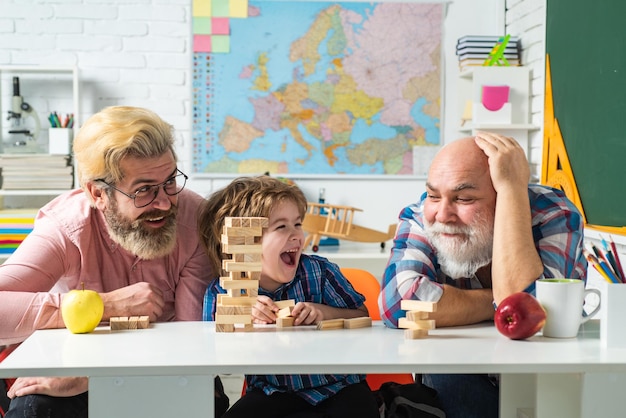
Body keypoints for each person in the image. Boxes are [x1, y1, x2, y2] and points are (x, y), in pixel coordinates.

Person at [0, 106, 228, 417]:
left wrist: (94, 375)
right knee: (34, 408)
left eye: (170, 181)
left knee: (205, 401)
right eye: (144, 190)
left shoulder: (195, 219)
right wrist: (104, 306)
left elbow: (189, 344)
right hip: (78, 367)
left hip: (167, 368)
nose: (164, 202)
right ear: (97, 194)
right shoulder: (66, 228)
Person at [379, 132, 587, 418]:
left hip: (543, 382)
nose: (441, 214)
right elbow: (399, 304)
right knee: (449, 370)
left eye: (464, 198)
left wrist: (512, 191)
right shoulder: (420, 215)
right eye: (433, 195)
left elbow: (530, 318)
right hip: (458, 379)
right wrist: (498, 305)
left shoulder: (553, 214)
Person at [198, 175, 380, 418]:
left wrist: (323, 313)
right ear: (244, 240)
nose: (296, 235)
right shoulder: (223, 291)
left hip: (338, 387)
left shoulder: (319, 272)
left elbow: (362, 315)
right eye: (281, 227)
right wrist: (242, 314)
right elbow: (211, 349)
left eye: (298, 224)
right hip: (273, 392)